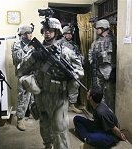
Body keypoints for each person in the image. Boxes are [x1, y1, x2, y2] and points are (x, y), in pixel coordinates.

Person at [18, 18, 84, 149]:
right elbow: (20, 70)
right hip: (41, 96)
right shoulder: (34, 50)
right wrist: (33, 57)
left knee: (60, 129)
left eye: (51, 30)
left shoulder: (66, 52)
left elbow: (80, 72)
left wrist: (67, 75)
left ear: (57, 32)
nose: (47, 33)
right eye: (45, 30)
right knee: (45, 127)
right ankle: (48, 146)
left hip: (59, 96)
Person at [88, 19, 117, 111]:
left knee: (109, 95)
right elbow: (90, 53)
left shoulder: (112, 40)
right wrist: (92, 61)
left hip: (109, 71)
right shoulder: (96, 42)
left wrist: (100, 54)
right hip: (98, 70)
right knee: (99, 95)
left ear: (104, 28)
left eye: (98, 28)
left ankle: (109, 116)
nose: (96, 30)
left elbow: (112, 55)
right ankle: (100, 114)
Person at [11, 24, 35, 131]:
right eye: (29, 33)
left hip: (33, 73)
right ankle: (20, 119)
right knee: (23, 97)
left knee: (33, 96)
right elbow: (16, 58)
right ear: (24, 34)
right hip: (23, 74)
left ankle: (31, 113)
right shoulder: (17, 44)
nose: (31, 35)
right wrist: (28, 48)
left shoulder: (33, 43)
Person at [61, 25, 84, 114]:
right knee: (62, 87)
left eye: (70, 34)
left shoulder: (74, 44)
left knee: (74, 86)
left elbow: (77, 54)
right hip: (63, 69)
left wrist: (81, 58)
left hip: (73, 69)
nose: (70, 35)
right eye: (67, 34)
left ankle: (72, 105)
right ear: (64, 34)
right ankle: (62, 105)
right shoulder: (59, 43)